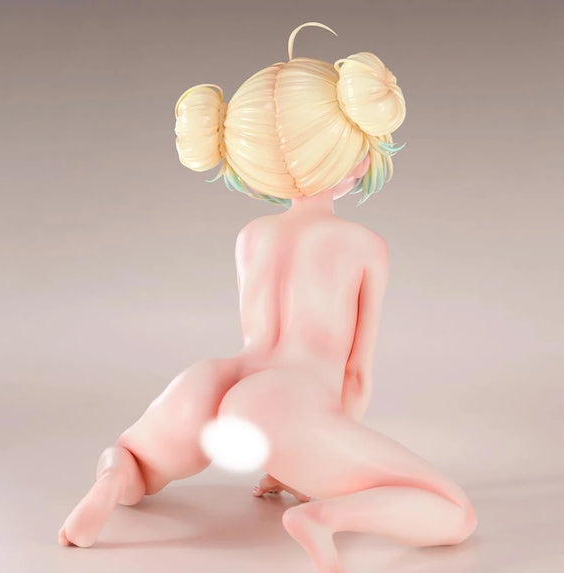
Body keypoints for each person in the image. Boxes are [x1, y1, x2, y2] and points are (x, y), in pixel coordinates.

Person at [58, 22, 476, 573]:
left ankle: (110, 484)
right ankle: (323, 519)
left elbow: (261, 335)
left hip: (215, 380)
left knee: (133, 461)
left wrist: (288, 455)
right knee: (454, 512)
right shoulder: (363, 245)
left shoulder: (252, 235)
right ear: (354, 151)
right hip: (288, 402)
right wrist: (318, 451)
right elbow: (355, 372)